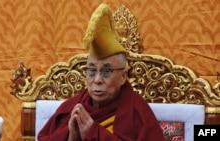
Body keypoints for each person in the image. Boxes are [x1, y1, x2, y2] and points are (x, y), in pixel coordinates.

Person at [38, 3, 164, 141]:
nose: (97, 80)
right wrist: (70, 137)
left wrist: (94, 133)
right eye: (91, 71)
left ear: (123, 77)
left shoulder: (138, 112)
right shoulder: (73, 109)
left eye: (106, 72)